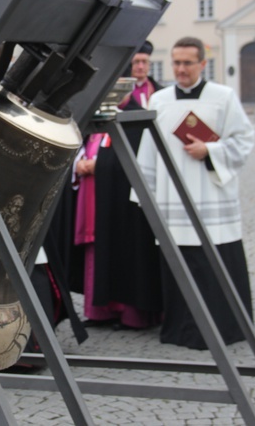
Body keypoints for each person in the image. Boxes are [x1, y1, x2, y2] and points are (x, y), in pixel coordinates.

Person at [133, 36, 255, 350]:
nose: (181, 69)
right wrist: (143, 195)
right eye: (176, 62)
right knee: (180, 265)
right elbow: (147, 151)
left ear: (203, 63)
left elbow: (243, 140)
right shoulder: (159, 101)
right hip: (174, 199)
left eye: (188, 63)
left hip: (212, 197)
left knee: (215, 263)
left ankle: (226, 328)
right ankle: (180, 330)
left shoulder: (223, 97)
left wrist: (210, 149)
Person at [89, 43, 163, 330]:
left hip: (132, 200)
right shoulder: (107, 116)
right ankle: (111, 309)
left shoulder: (137, 115)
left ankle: (136, 313)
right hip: (107, 197)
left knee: (134, 253)